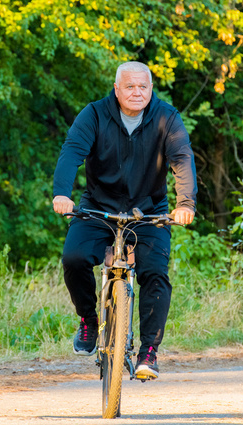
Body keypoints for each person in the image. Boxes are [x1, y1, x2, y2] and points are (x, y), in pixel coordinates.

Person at [52, 61, 197, 380]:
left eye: (143, 86)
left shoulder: (167, 118)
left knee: (155, 272)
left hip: (149, 211)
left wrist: (184, 204)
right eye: (129, 86)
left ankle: (148, 351)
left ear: (151, 89)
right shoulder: (93, 114)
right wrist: (62, 194)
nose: (136, 92)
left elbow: (182, 159)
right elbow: (72, 152)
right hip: (98, 207)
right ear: (116, 89)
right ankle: (89, 321)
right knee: (74, 259)